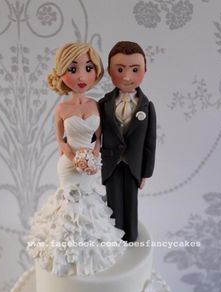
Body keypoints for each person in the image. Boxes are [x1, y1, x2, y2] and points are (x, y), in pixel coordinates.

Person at [27, 42, 125, 276]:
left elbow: (99, 137)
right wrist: (74, 157)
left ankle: (92, 250)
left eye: (88, 68)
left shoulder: (95, 105)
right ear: (61, 72)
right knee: (70, 203)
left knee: (89, 202)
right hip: (69, 165)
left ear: (96, 71)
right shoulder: (61, 109)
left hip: (91, 163)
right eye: (73, 69)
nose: (82, 76)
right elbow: (60, 141)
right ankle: (65, 254)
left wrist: (92, 155)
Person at [99, 41, 157, 242]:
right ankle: (113, 239)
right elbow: (94, 131)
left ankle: (130, 237)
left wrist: (146, 173)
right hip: (111, 163)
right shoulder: (103, 104)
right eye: (120, 69)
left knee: (131, 202)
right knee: (113, 202)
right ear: (109, 71)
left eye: (135, 69)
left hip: (134, 164)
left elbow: (150, 143)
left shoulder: (147, 107)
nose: (126, 76)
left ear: (145, 71)